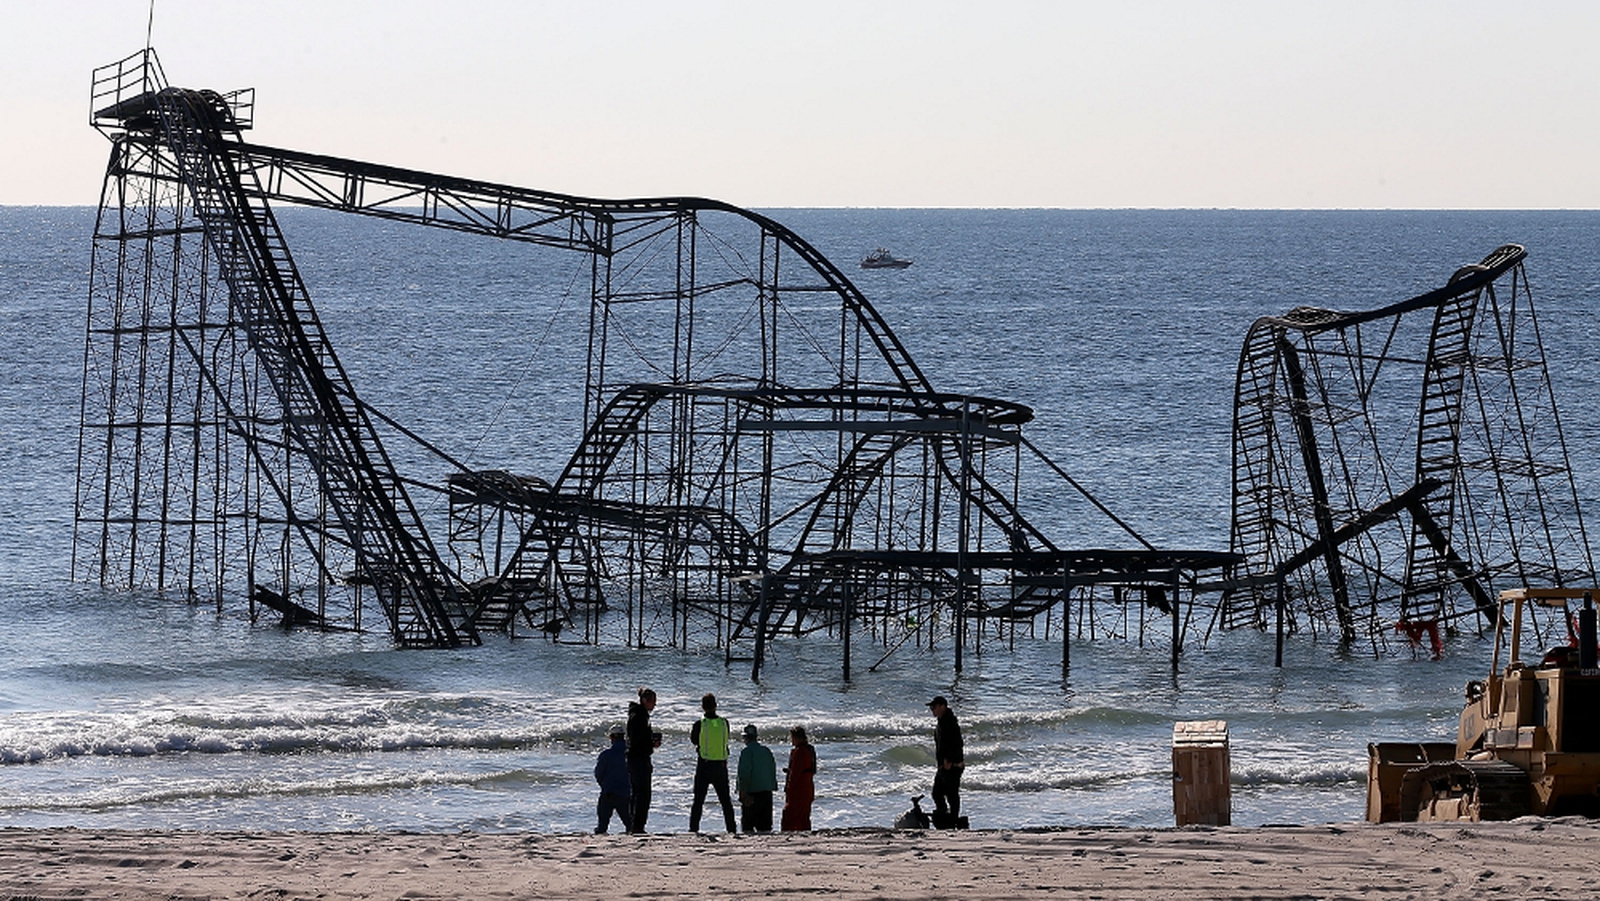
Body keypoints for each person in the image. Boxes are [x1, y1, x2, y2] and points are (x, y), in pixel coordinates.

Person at [688, 692, 737, 833]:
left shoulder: (699, 723)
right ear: (716, 705)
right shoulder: (724, 723)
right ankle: (732, 829)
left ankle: (693, 829)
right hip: (721, 765)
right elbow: (725, 740)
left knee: (698, 801)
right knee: (726, 802)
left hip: (704, 765)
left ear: (702, 707)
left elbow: (694, 740)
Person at [927, 695, 964, 827]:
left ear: (943, 706)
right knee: (937, 793)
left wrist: (950, 760)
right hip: (943, 765)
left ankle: (953, 820)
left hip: (952, 765)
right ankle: (944, 817)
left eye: (934, 707)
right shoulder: (941, 721)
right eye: (931, 707)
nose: (932, 710)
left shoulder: (950, 721)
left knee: (951, 794)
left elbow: (957, 743)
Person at [625, 687, 659, 833]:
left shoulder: (638, 714)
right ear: (645, 700)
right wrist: (651, 743)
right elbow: (637, 740)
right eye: (653, 702)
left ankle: (634, 825)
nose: (654, 705)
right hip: (638, 758)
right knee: (643, 795)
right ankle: (637, 826)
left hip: (636, 758)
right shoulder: (639, 716)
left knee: (637, 793)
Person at [735, 724, 777, 833]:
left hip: (752, 792)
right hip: (767, 791)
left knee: (748, 826)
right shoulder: (766, 751)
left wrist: (742, 790)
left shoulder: (746, 752)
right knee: (765, 827)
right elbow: (772, 770)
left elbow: (744, 773)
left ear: (745, 738)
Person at [593, 723, 632, 834]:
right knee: (630, 824)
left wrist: (605, 786)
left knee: (602, 824)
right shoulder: (630, 753)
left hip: (608, 792)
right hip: (625, 793)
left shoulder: (606, 755)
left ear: (611, 737)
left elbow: (599, 774)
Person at [780, 725, 816, 832]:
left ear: (796, 737)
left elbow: (796, 774)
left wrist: (788, 788)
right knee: (804, 817)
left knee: (789, 816)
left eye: (791, 737)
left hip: (799, 790)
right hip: (808, 787)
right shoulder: (809, 750)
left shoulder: (800, 752)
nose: (791, 740)